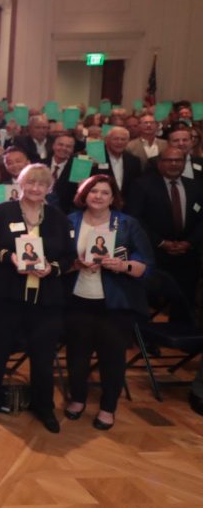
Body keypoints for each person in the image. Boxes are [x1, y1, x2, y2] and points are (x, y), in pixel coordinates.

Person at [0, 163, 74, 433]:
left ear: (49, 188)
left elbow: (68, 257)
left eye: (41, 184)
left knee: (43, 357)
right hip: (7, 294)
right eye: (30, 182)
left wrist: (51, 268)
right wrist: (7, 257)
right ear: (21, 184)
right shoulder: (1, 212)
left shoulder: (58, 217)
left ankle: (43, 407)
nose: (35, 188)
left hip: (46, 298)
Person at [63, 175, 153, 430]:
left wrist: (122, 265)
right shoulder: (70, 221)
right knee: (77, 356)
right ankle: (78, 398)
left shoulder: (127, 225)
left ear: (113, 198)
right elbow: (59, 260)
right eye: (93, 191)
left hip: (115, 303)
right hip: (78, 298)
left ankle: (107, 407)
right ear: (84, 194)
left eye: (105, 192)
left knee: (112, 357)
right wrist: (76, 263)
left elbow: (147, 266)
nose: (99, 196)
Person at [126, 148, 202, 323]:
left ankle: (181, 333)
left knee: (185, 297)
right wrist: (161, 242)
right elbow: (135, 218)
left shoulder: (196, 186)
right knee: (147, 298)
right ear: (159, 163)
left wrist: (189, 243)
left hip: (187, 254)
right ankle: (146, 338)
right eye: (169, 160)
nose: (174, 164)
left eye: (178, 160)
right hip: (153, 253)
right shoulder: (142, 185)